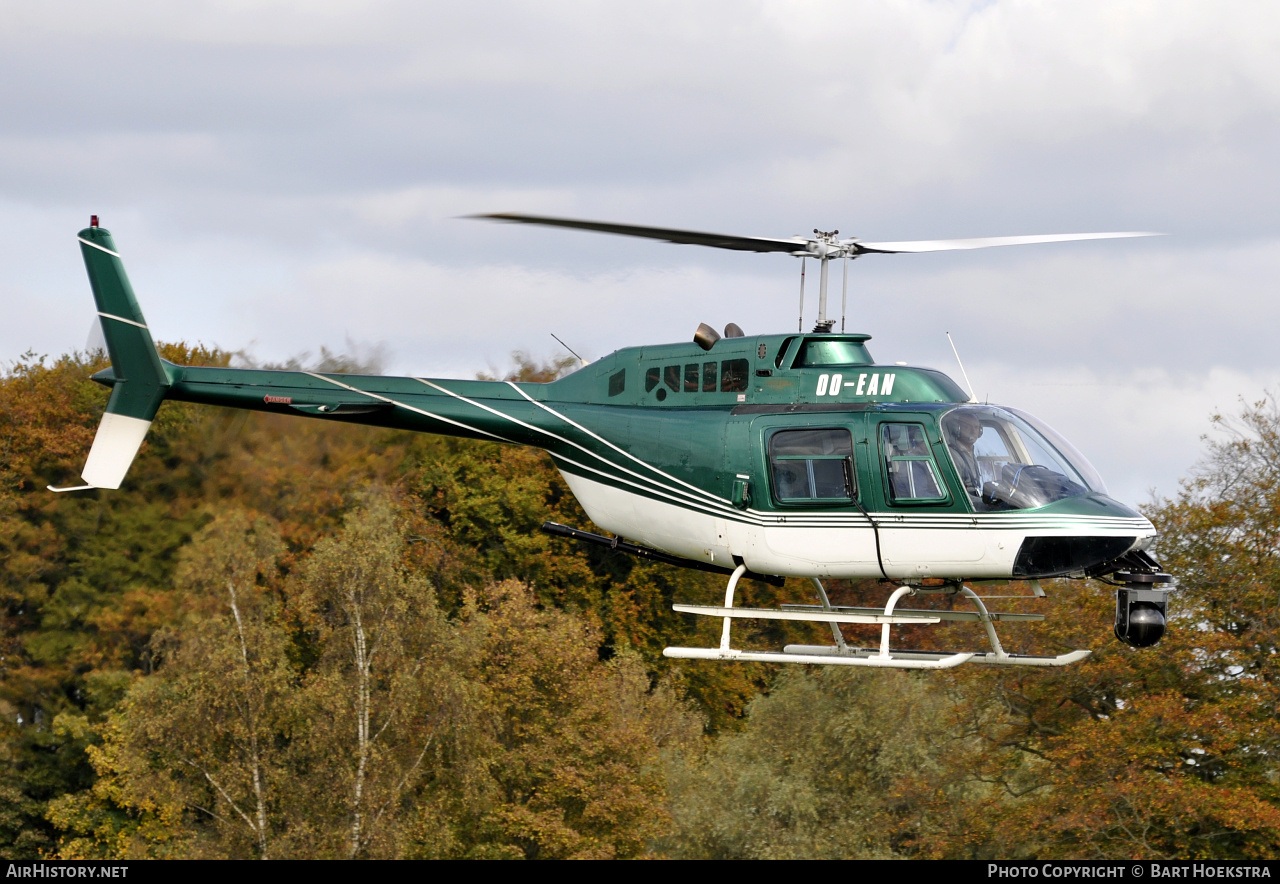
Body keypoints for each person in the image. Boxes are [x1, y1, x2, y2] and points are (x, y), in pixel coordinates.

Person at [945, 411, 984, 498]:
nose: (973, 431)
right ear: (957, 429)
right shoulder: (953, 454)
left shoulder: (973, 452)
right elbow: (956, 492)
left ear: (980, 431)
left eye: (976, 427)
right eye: (967, 427)